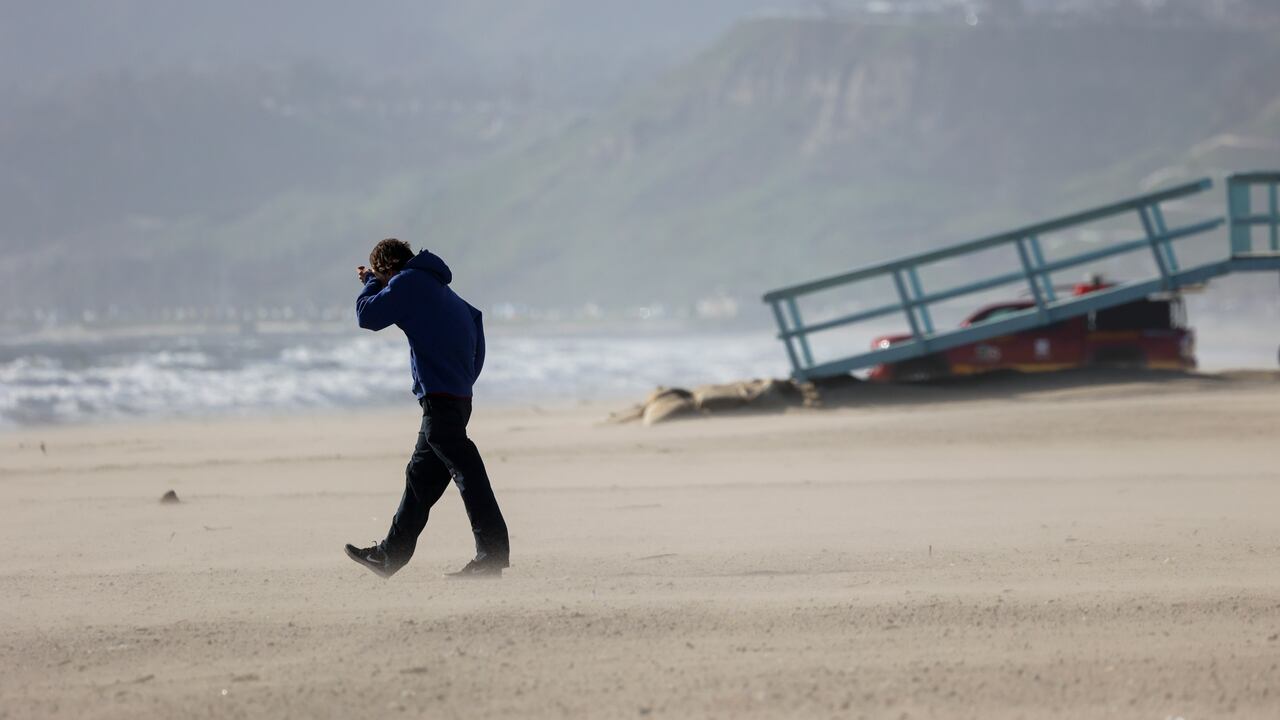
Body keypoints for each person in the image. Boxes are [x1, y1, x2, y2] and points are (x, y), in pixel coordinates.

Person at [344, 238, 510, 578]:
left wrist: (371, 283)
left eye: (381, 275)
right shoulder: (438, 288)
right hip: (455, 398)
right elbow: (476, 324)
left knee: (469, 475)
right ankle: (389, 556)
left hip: (441, 399)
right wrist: (463, 382)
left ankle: (492, 556)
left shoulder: (409, 281)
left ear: (388, 268)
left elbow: (367, 316)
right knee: (420, 480)